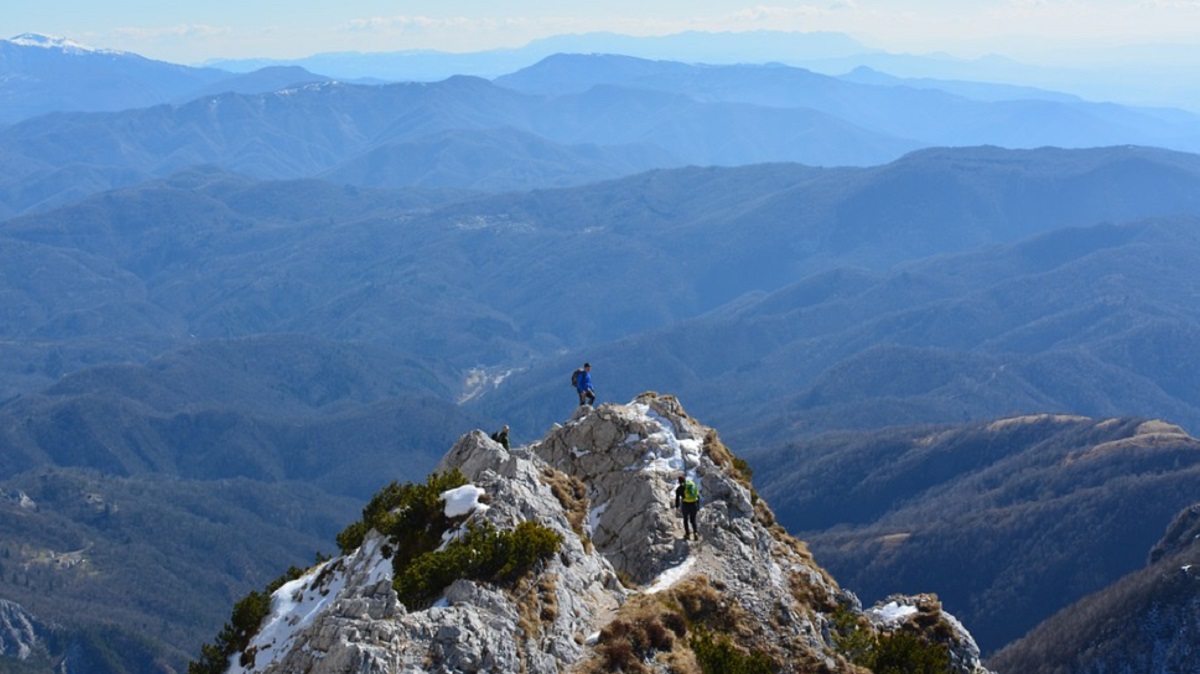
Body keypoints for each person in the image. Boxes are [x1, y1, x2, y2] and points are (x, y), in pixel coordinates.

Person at [675, 474, 700, 540]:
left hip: (686, 505)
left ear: (679, 482)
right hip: (694, 504)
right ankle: (695, 533)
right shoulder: (692, 485)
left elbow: (677, 499)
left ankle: (687, 534)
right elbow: (697, 495)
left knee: (685, 520)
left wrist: (677, 507)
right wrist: (698, 505)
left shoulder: (679, 489)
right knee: (693, 520)